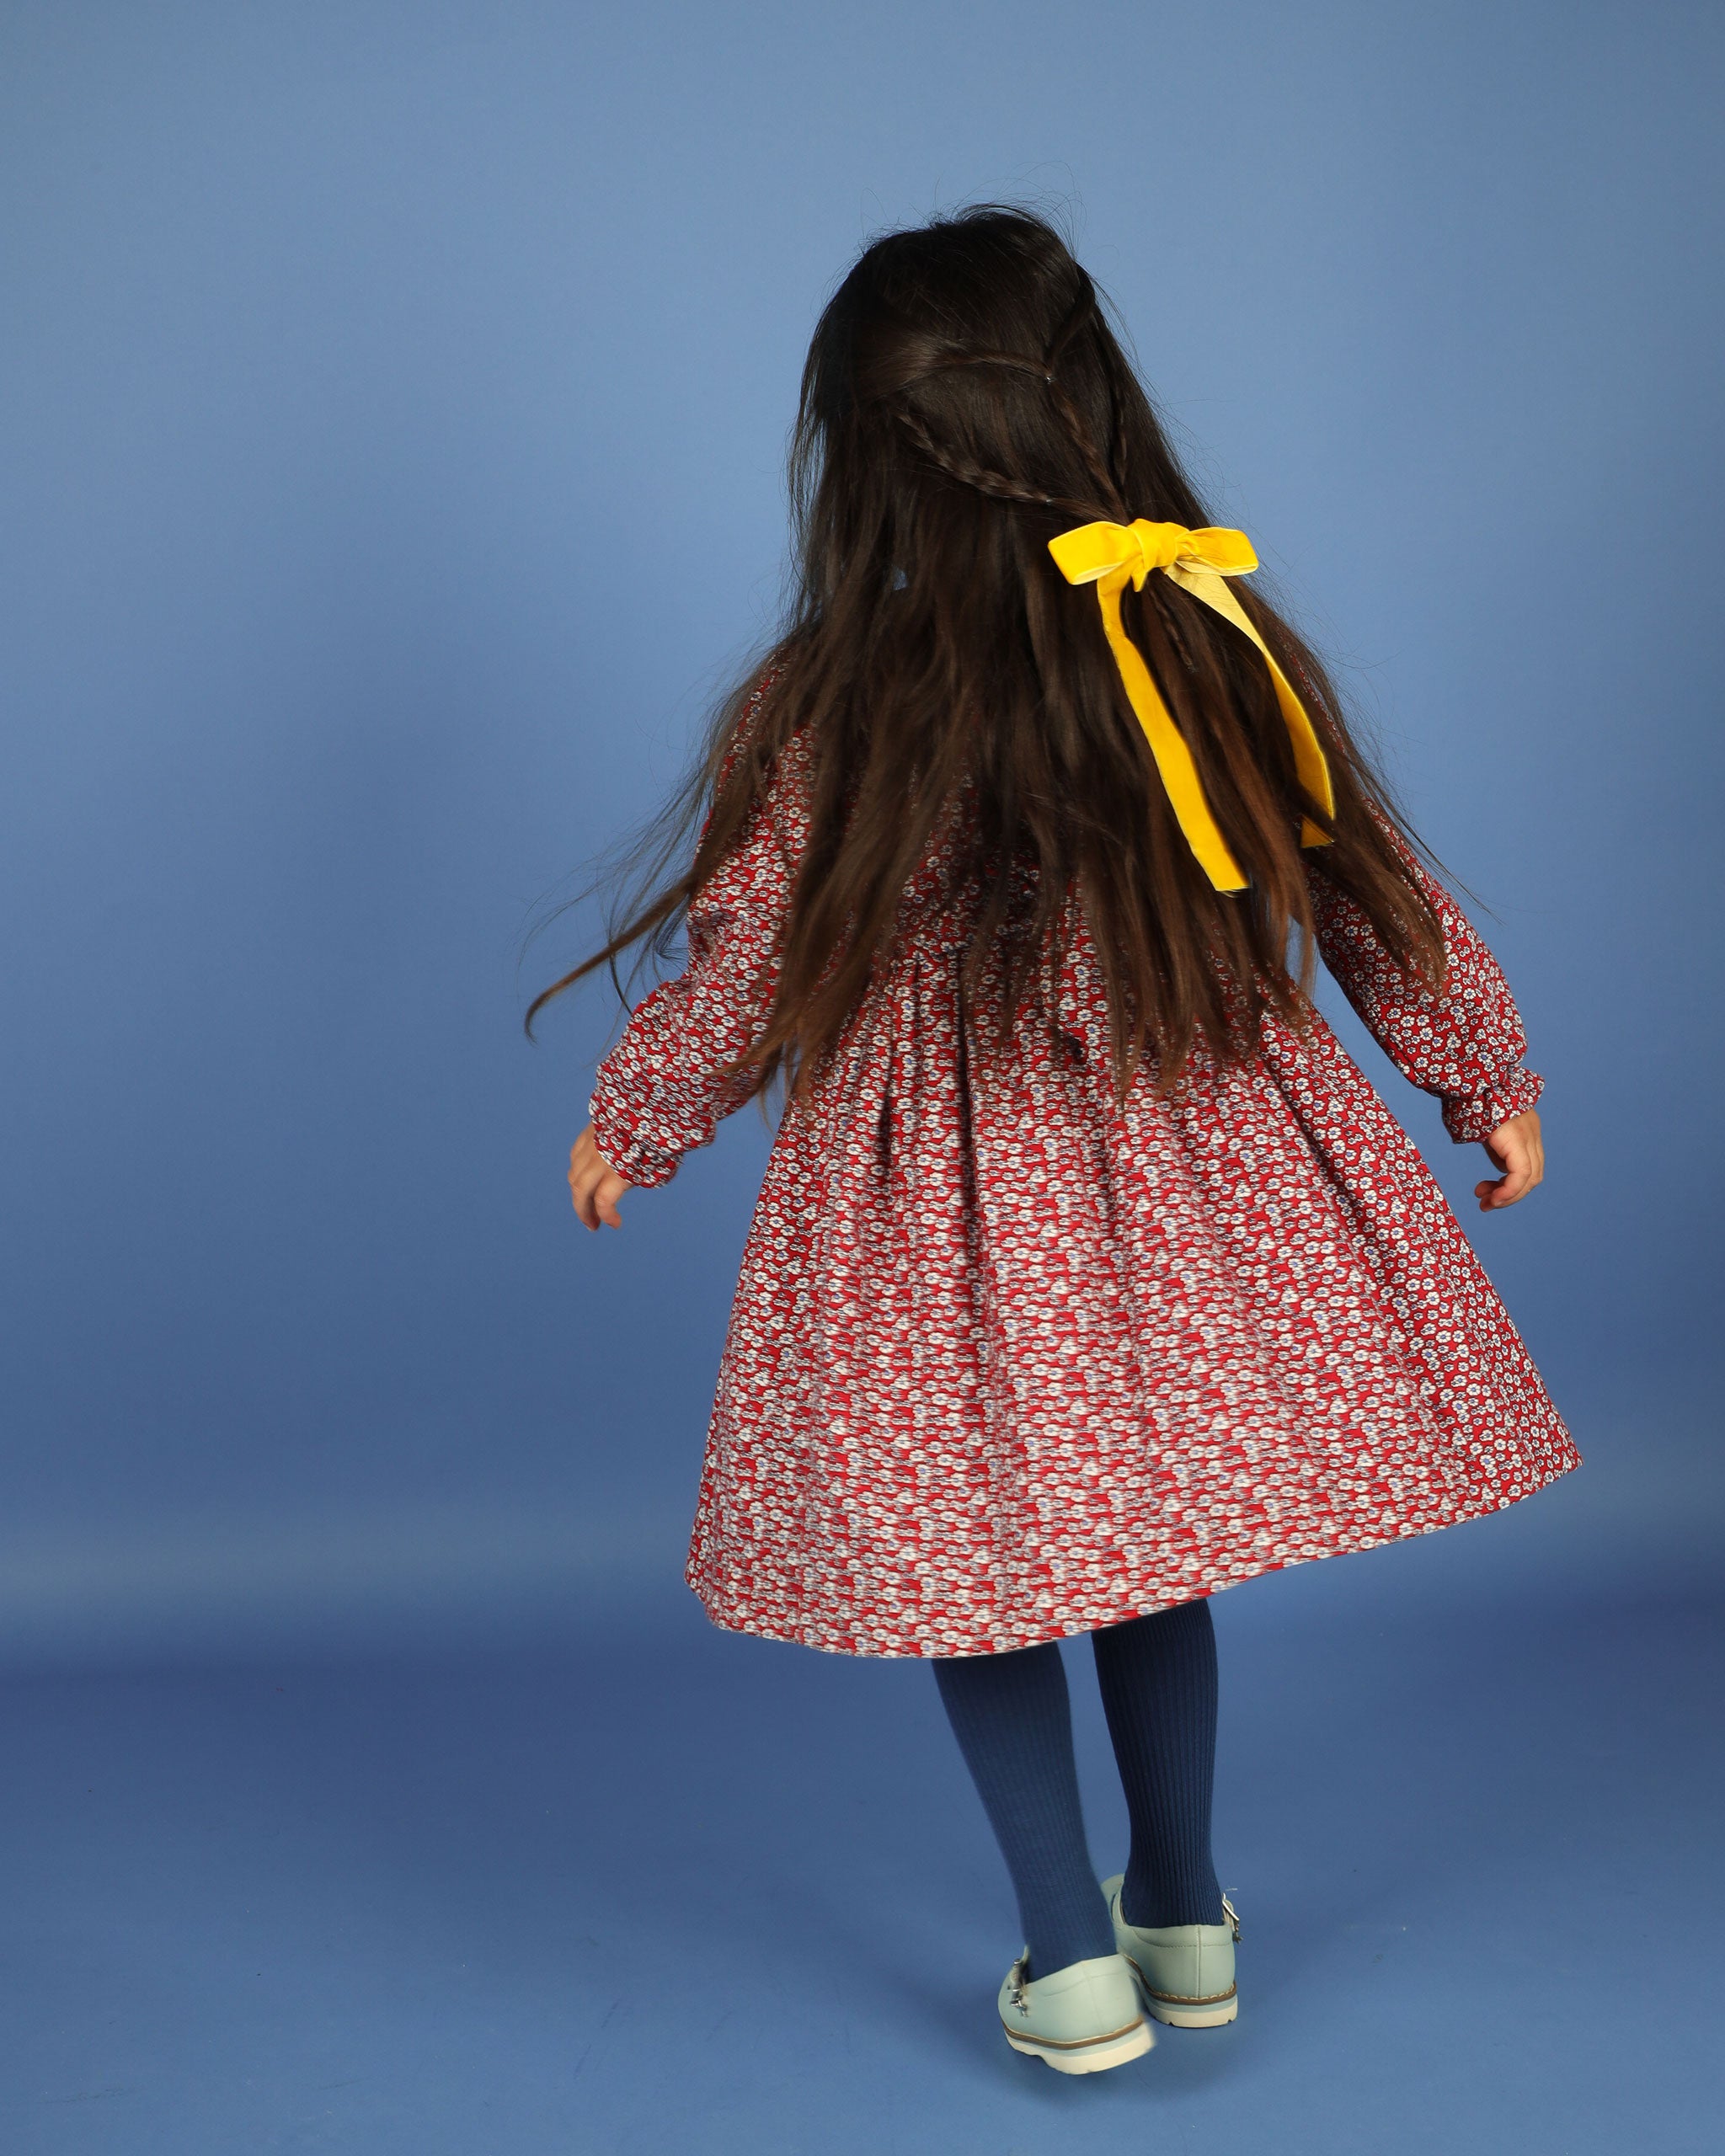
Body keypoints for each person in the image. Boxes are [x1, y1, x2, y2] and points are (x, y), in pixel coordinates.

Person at [531, 206, 1575, 2076]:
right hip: (1182, 1163)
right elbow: (1365, 884)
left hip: (926, 1199)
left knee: (981, 1547)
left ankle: (1066, 1954)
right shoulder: (1210, 643)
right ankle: (1186, 1907)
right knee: (1146, 1538)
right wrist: (1474, 1068)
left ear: (862, 462)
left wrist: (643, 1112)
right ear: (1092, 407)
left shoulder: (831, 701)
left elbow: (750, 948)